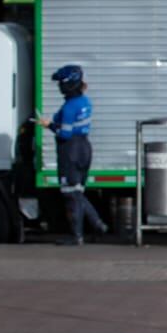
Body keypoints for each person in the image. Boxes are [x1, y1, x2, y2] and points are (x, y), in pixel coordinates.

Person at [39, 64, 108, 246]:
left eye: (60, 83)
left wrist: (49, 126)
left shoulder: (70, 106)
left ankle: (79, 234)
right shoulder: (85, 102)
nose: (59, 87)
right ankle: (97, 225)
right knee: (78, 191)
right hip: (85, 147)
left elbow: (65, 134)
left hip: (70, 150)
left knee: (71, 194)